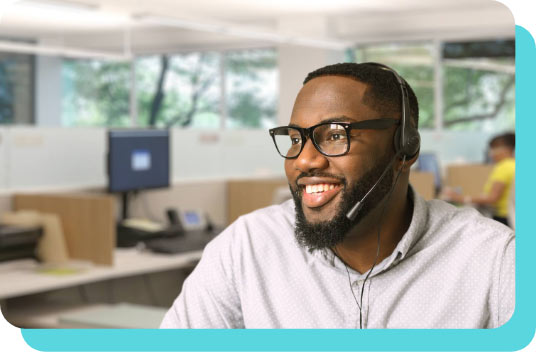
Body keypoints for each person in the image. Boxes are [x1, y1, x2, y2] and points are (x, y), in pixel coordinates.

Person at [160, 62, 514, 329]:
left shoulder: (495, 261)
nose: (304, 160)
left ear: (405, 148)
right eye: (296, 139)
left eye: (334, 135)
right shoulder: (246, 247)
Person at [442, 133, 515, 227]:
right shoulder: (514, 165)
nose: (491, 154)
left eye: (492, 150)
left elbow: (492, 198)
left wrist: (461, 198)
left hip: (502, 219)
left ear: (503, 150)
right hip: (510, 218)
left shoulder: (503, 168)